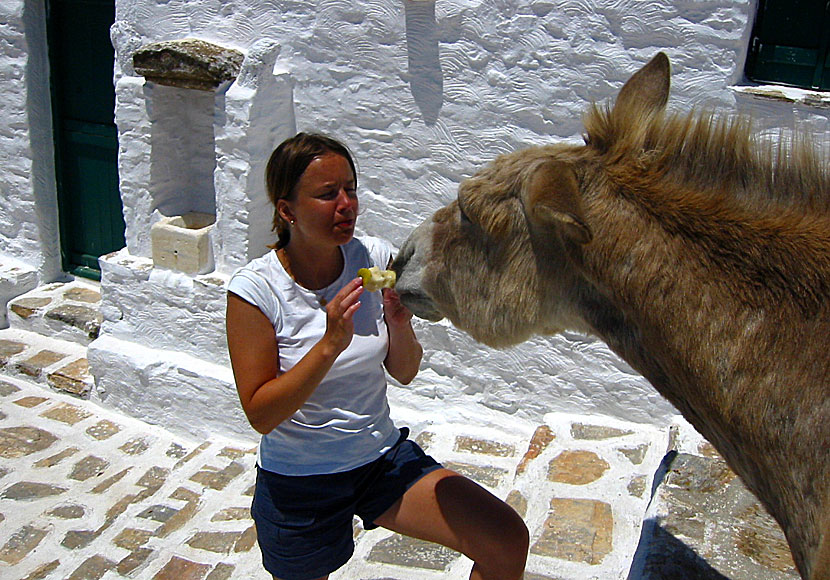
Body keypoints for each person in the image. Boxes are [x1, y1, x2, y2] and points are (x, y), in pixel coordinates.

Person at [226, 132, 529, 580]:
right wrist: (329, 345)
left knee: (504, 538)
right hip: (299, 482)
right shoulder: (255, 291)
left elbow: (404, 373)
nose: (346, 204)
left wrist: (400, 324)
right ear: (287, 210)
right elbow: (261, 414)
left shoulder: (375, 258)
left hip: (379, 459)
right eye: (328, 194)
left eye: (350, 189)